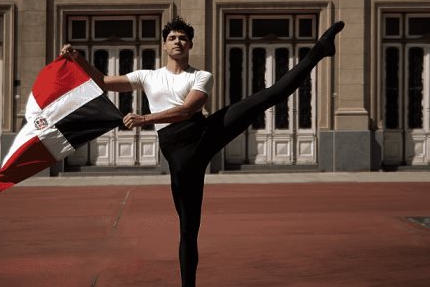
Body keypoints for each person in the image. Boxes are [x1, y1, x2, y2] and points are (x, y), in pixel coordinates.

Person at [60, 16, 344, 287]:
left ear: (190, 45)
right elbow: (102, 82)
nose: (177, 42)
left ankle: (319, 50)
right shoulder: (147, 76)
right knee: (187, 229)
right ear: (164, 45)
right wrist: (77, 58)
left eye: (183, 38)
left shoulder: (201, 76)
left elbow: (188, 109)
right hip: (178, 151)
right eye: (172, 38)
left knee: (267, 96)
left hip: (204, 132)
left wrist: (145, 119)